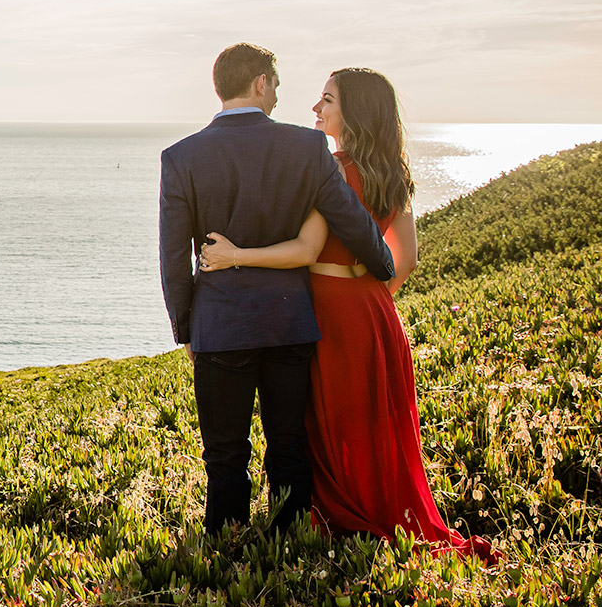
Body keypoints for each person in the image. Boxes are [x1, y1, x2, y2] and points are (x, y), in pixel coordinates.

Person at [197, 69, 496, 561]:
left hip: (329, 312)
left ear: (353, 113)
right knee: (373, 422)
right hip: (374, 312)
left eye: (327, 99)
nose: (316, 108)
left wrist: (236, 256)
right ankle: (383, 511)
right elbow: (408, 259)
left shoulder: (329, 168)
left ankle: (340, 515)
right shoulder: (393, 172)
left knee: (326, 421)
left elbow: (306, 248)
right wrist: (369, 296)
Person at [159, 44, 396, 534]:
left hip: (219, 326)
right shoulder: (305, 148)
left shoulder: (180, 157)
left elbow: (173, 257)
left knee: (224, 451)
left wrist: (186, 329)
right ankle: (289, 543)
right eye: (277, 85)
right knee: (288, 443)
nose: (279, 95)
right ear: (261, 83)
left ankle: (227, 551)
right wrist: (382, 263)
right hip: (290, 321)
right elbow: (351, 221)